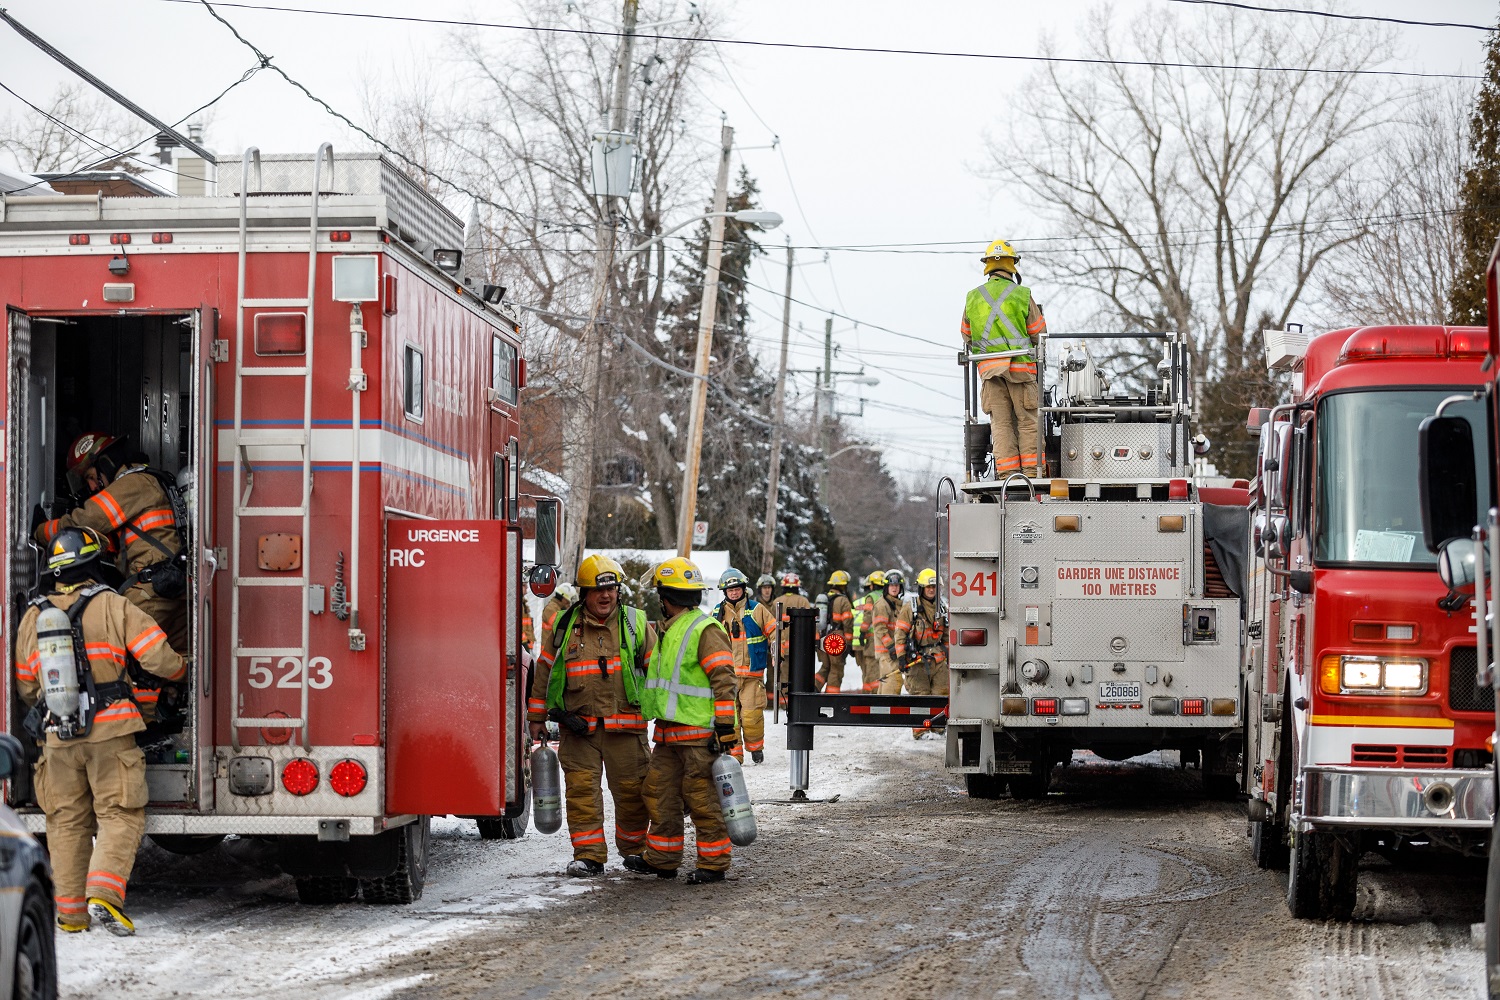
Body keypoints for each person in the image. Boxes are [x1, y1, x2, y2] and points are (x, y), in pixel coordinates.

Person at [16, 527, 187, 935]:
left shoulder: (34, 616)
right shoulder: (114, 604)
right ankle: (105, 895)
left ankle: (71, 915)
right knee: (119, 813)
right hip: (111, 732)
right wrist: (184, 671)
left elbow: (25, 685)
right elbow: (158, 658)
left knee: (65, 821)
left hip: (57, 736)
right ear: (95, 563)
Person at [526, 555, 654, 876]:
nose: (606, 596)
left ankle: (635, 851)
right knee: (581, 793)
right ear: (584, 593)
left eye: (611, 589)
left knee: (632, 793)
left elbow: (659, 673)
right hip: (578, 729)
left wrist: (665, 715)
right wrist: (537, 717)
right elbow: (545, 670)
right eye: (598, 590)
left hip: (626, 729)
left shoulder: (636, 623)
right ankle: (588, 855)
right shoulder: (565, 625)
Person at [624, 558, 738, 885]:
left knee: (703, 800)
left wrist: (725, 726)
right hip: (668, 734)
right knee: (658, 793)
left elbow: (724, 679)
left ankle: (713, 863)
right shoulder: (669, 629)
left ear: (666, 597)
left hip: (699, 737)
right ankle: (663, 858)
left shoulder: (705, 629)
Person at [35, 433, 187, 656]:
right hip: (175, 587)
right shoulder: (152, 480)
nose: (90, 486)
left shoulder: (131, 484)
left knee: (112, 655)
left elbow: (84, 522)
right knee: (174, 660)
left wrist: (40, 530)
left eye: (90, 477)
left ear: (105, 464)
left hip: (151, 591)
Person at [963, 240, 1048, 478]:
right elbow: (1039, 333)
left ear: (987, 265)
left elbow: (966, 335)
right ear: (1013, 265)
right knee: (1028, 422)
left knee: (1000, 424)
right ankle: (1032, 473)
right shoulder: (1022, 294)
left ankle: (1007, 475)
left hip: (990, 374)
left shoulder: (973, 297)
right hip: (1021, 371)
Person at [713, 568, 776, 764]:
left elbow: (774, 631)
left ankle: (756, 749)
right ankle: (735, 756)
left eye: (737, 589)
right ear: (725, 592)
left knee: (751, 715)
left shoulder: (757, 609)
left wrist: (776, 651)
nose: (734, 593)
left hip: (751, 676)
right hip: (726, 677)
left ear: (743, 589)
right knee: (729, 719)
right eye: (730, 590)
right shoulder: (716, 613)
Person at [905, 569, 949, 738]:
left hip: (938, 659)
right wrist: (901, 658)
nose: (931, 590)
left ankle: (938, 728)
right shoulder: (911, 608)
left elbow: (947, 635)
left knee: (941, 693)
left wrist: (949, 655)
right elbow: (900, 634)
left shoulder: (943, 608)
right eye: (928, 587)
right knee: (920, 695)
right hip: (918, 659)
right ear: (921, 588)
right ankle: (920, 731)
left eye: (934, 587)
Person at [872, 570, 908, 696]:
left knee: (886, 683)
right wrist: (891, 646)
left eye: (897, 585)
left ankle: (881, 707)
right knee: (893, 682)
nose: (894, 588)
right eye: (891, 585)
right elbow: (880, 628)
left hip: (892, 652)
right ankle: (888, 707)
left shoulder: (896, 604)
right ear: (886, 587)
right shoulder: (882, 604)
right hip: (887, 653)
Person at [818, 571, 855, 693]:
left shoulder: (822, 599)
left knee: (825, 667)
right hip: (836, 641)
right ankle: (831, 698)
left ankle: (813, 688)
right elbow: (848, 624)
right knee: (836, 669)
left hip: (822, 638)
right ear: (844, 585)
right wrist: (848, 644)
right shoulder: (843, 601)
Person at [852, 571, 886, 693]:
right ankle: (869, 693)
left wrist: (862, 632)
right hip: (886, 638)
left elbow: (867, 617)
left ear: (872, 585)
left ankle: (873, 695)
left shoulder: (871, 597)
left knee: (871, 670)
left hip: (872, 640)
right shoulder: (888, 596)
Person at [538, 583, 577, 653]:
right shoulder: (551, 609)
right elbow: (561, 625)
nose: (569, 604)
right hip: (548, 650)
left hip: (552, 649)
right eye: (568, 601)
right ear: (564, 599)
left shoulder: (557, 608)